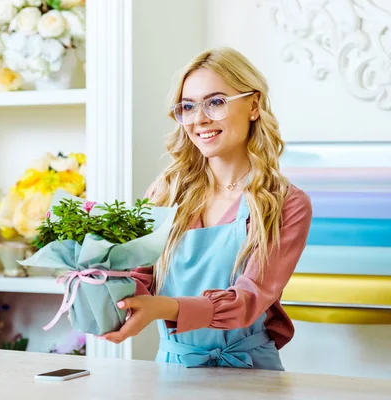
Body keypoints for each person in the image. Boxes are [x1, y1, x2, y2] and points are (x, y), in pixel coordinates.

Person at [101, 47, 313, 371]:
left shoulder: (284, 203)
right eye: (188, 106)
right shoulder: (165, 193)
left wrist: (161, 308)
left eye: (215, 102)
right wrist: (93, 280)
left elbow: (248, 301)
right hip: (172, 370)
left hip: (250, 372)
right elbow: (138, 275)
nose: (199, 119)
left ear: (253, 105)